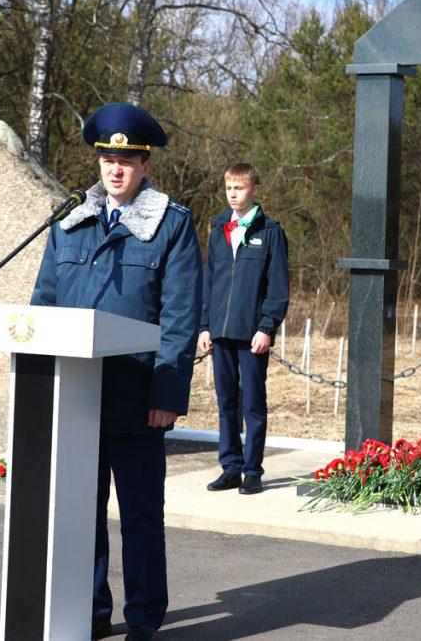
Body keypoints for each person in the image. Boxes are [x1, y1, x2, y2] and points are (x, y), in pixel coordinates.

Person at [30, 102, 202, 640]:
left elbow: (180, 317)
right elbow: (45, 302)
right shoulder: (69, 221)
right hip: (76, 395)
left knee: (141, 518)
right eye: (108, 158)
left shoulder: (171, 226)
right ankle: (90, 612)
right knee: (82, 516)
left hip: (137, 397)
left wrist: (168, 393)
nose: (116, 169)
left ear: (145, 165)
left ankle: (146, 618)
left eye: (127, 160)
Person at [198, 163, 289, 495]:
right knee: (226, 403)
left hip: (252, 334)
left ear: (255, 190)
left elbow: (278, 288)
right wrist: (204, 325)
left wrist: (267, 327)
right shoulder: (218, 229)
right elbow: (209, 283)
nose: (233, 194)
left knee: (252, 403)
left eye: (239, 188)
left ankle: (252, 470)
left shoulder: (271, 232)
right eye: (228, 188)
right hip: (220, 332)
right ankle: (231, 468)